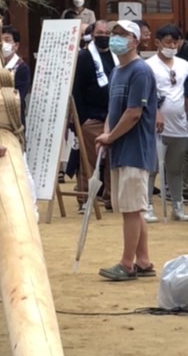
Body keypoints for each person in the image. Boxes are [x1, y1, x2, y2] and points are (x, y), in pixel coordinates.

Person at [96, 20, 159, 280]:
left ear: (135, 40)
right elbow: (115, 110)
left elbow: (134, 113)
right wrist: (107, 134)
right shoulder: (116, 72)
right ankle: (143, 260)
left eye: (122, 34)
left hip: (136, 150)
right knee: (133, 208)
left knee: (131, 210)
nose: (116, 38)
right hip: (120, 148)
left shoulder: (140, 71)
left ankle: (127, 263)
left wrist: (111, 136)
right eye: (114, 33)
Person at [72, 19, 114, 210]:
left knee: (112, 161)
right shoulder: (84, 57)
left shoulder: (116, 56)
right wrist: (81, 120)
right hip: (91, 118)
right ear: (92, 34)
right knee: (88, 160)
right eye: (100, 33)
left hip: (113, 117)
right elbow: (77, 90)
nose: (104, 36)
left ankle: (110, 198)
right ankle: (84, 199)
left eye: (107, 33)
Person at [148, 26, 188, 220]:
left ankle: (178, 207)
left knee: (175, 167)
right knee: (151, 167)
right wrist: (155, 113)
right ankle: (147, 205)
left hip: (180, 125)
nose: (172, 46)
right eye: (168, 42)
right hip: (156, 126)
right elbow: (147, 94)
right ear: (158, 43)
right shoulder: (148, 65)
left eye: (175, 42)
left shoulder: (184, 65)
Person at [0, 26, 32, 121]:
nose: (2, 44)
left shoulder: (22, 68)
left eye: (7, 40)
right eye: (0, 40)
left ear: (16, 45)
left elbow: (19, 96)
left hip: (14, 117)